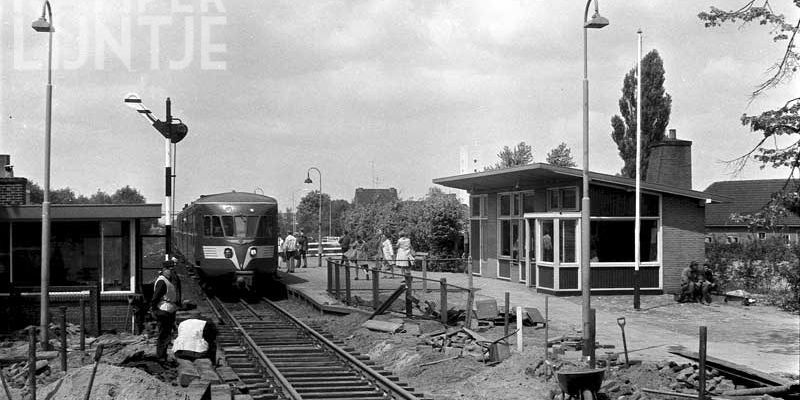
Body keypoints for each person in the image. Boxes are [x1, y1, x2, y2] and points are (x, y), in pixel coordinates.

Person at [151, 259, 182, 362]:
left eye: (173, 269)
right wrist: (155, 310)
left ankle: (163, 355)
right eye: (170, 269)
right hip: (163, 310)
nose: (171, 271)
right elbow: (155, 297)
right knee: (163, 334)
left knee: (167, 334)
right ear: (164, 269)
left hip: (169, 311)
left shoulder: (168, 280)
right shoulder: (162, 281)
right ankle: (160, 356)